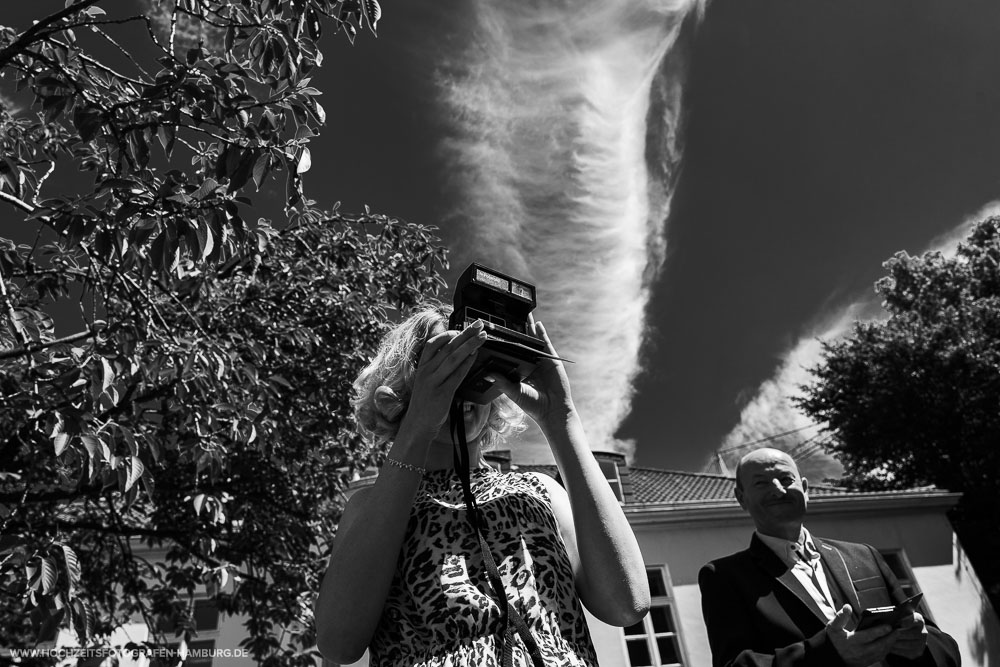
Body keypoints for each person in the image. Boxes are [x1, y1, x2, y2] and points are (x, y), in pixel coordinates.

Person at [315, 304, 650, 666]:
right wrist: (417, 425)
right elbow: (338, 643)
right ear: (401, 391)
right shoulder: (373, 505)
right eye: (444, 365)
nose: (461, 384)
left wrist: (561, 419)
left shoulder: (537, 490)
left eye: (476, 366)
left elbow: (627, 604)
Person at [698, 447, 961, 667]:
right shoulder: (722, 577)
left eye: (786, 479)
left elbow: (944, 646)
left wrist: (921, 644)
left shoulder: (865, 556)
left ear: (805, 488)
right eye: (761, 483)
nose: (778, 490)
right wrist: (826, 653)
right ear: (741, 499)